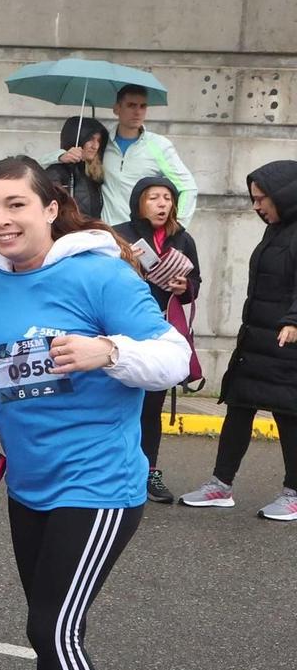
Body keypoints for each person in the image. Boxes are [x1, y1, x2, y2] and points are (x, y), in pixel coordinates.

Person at [0, 156, 189, 670]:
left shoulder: (99, 272)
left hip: (96, 485)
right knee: (50, 629)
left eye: (15, 205)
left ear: (49, 207)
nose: (2, 220)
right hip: (30, 484)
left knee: (54, 628)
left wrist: (108, 350)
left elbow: (175, 356)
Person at [180, 161, 297, 520]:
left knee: (289, 415)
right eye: (253, 199)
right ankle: (221, 485)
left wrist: (293, 320)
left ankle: (294, 493)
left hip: (285, 341)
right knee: (239, 407)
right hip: (257, 337)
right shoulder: (276, 230)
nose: (257, 207)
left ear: (284, 194)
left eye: (262, 199)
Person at [112, 176, 201, 505]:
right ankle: (118, 468)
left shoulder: (183, 239)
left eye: (167, 198)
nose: (162, 204)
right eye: (154, 198)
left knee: (151, 407)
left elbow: (196, 282)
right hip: (123, 330)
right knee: (117, 402)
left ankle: (150, 471)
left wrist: (184, 287)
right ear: (139, 202)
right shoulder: (120, 233)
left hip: (162, 333)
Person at [101, 84, 197, 227]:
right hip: (106, 233)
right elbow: (66, 160)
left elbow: (188, 187)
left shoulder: (158, 145)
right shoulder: (101, 143)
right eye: (131, 105)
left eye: (143, 106)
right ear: (117, 109)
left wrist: (179, 226)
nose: (137, 112)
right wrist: (60, 156)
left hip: (140, 236)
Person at [50, 116, 107, 222]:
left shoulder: (93, 172)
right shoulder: (58, 171)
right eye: (90, 139)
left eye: (99, 140)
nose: (95, 146)